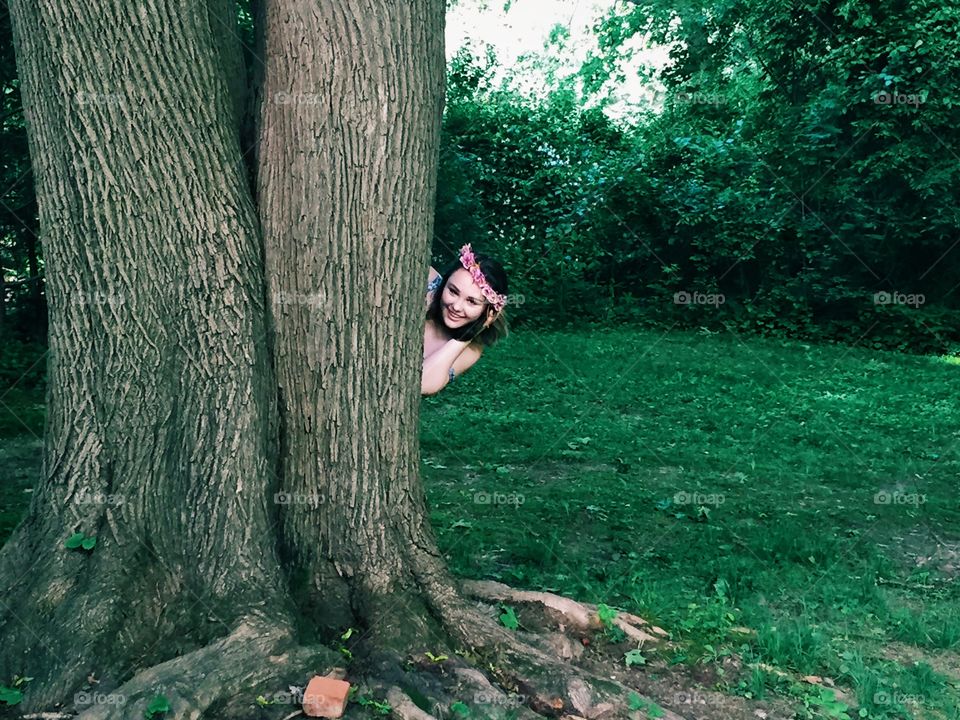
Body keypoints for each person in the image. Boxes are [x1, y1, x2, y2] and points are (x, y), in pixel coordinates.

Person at [422, 244, 508, 395]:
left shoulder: (470, 350)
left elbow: (422, 384)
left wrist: (466, 336)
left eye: (472, 302)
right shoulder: (426, 280)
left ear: (489, 312)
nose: (456, 306)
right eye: (453, 291)